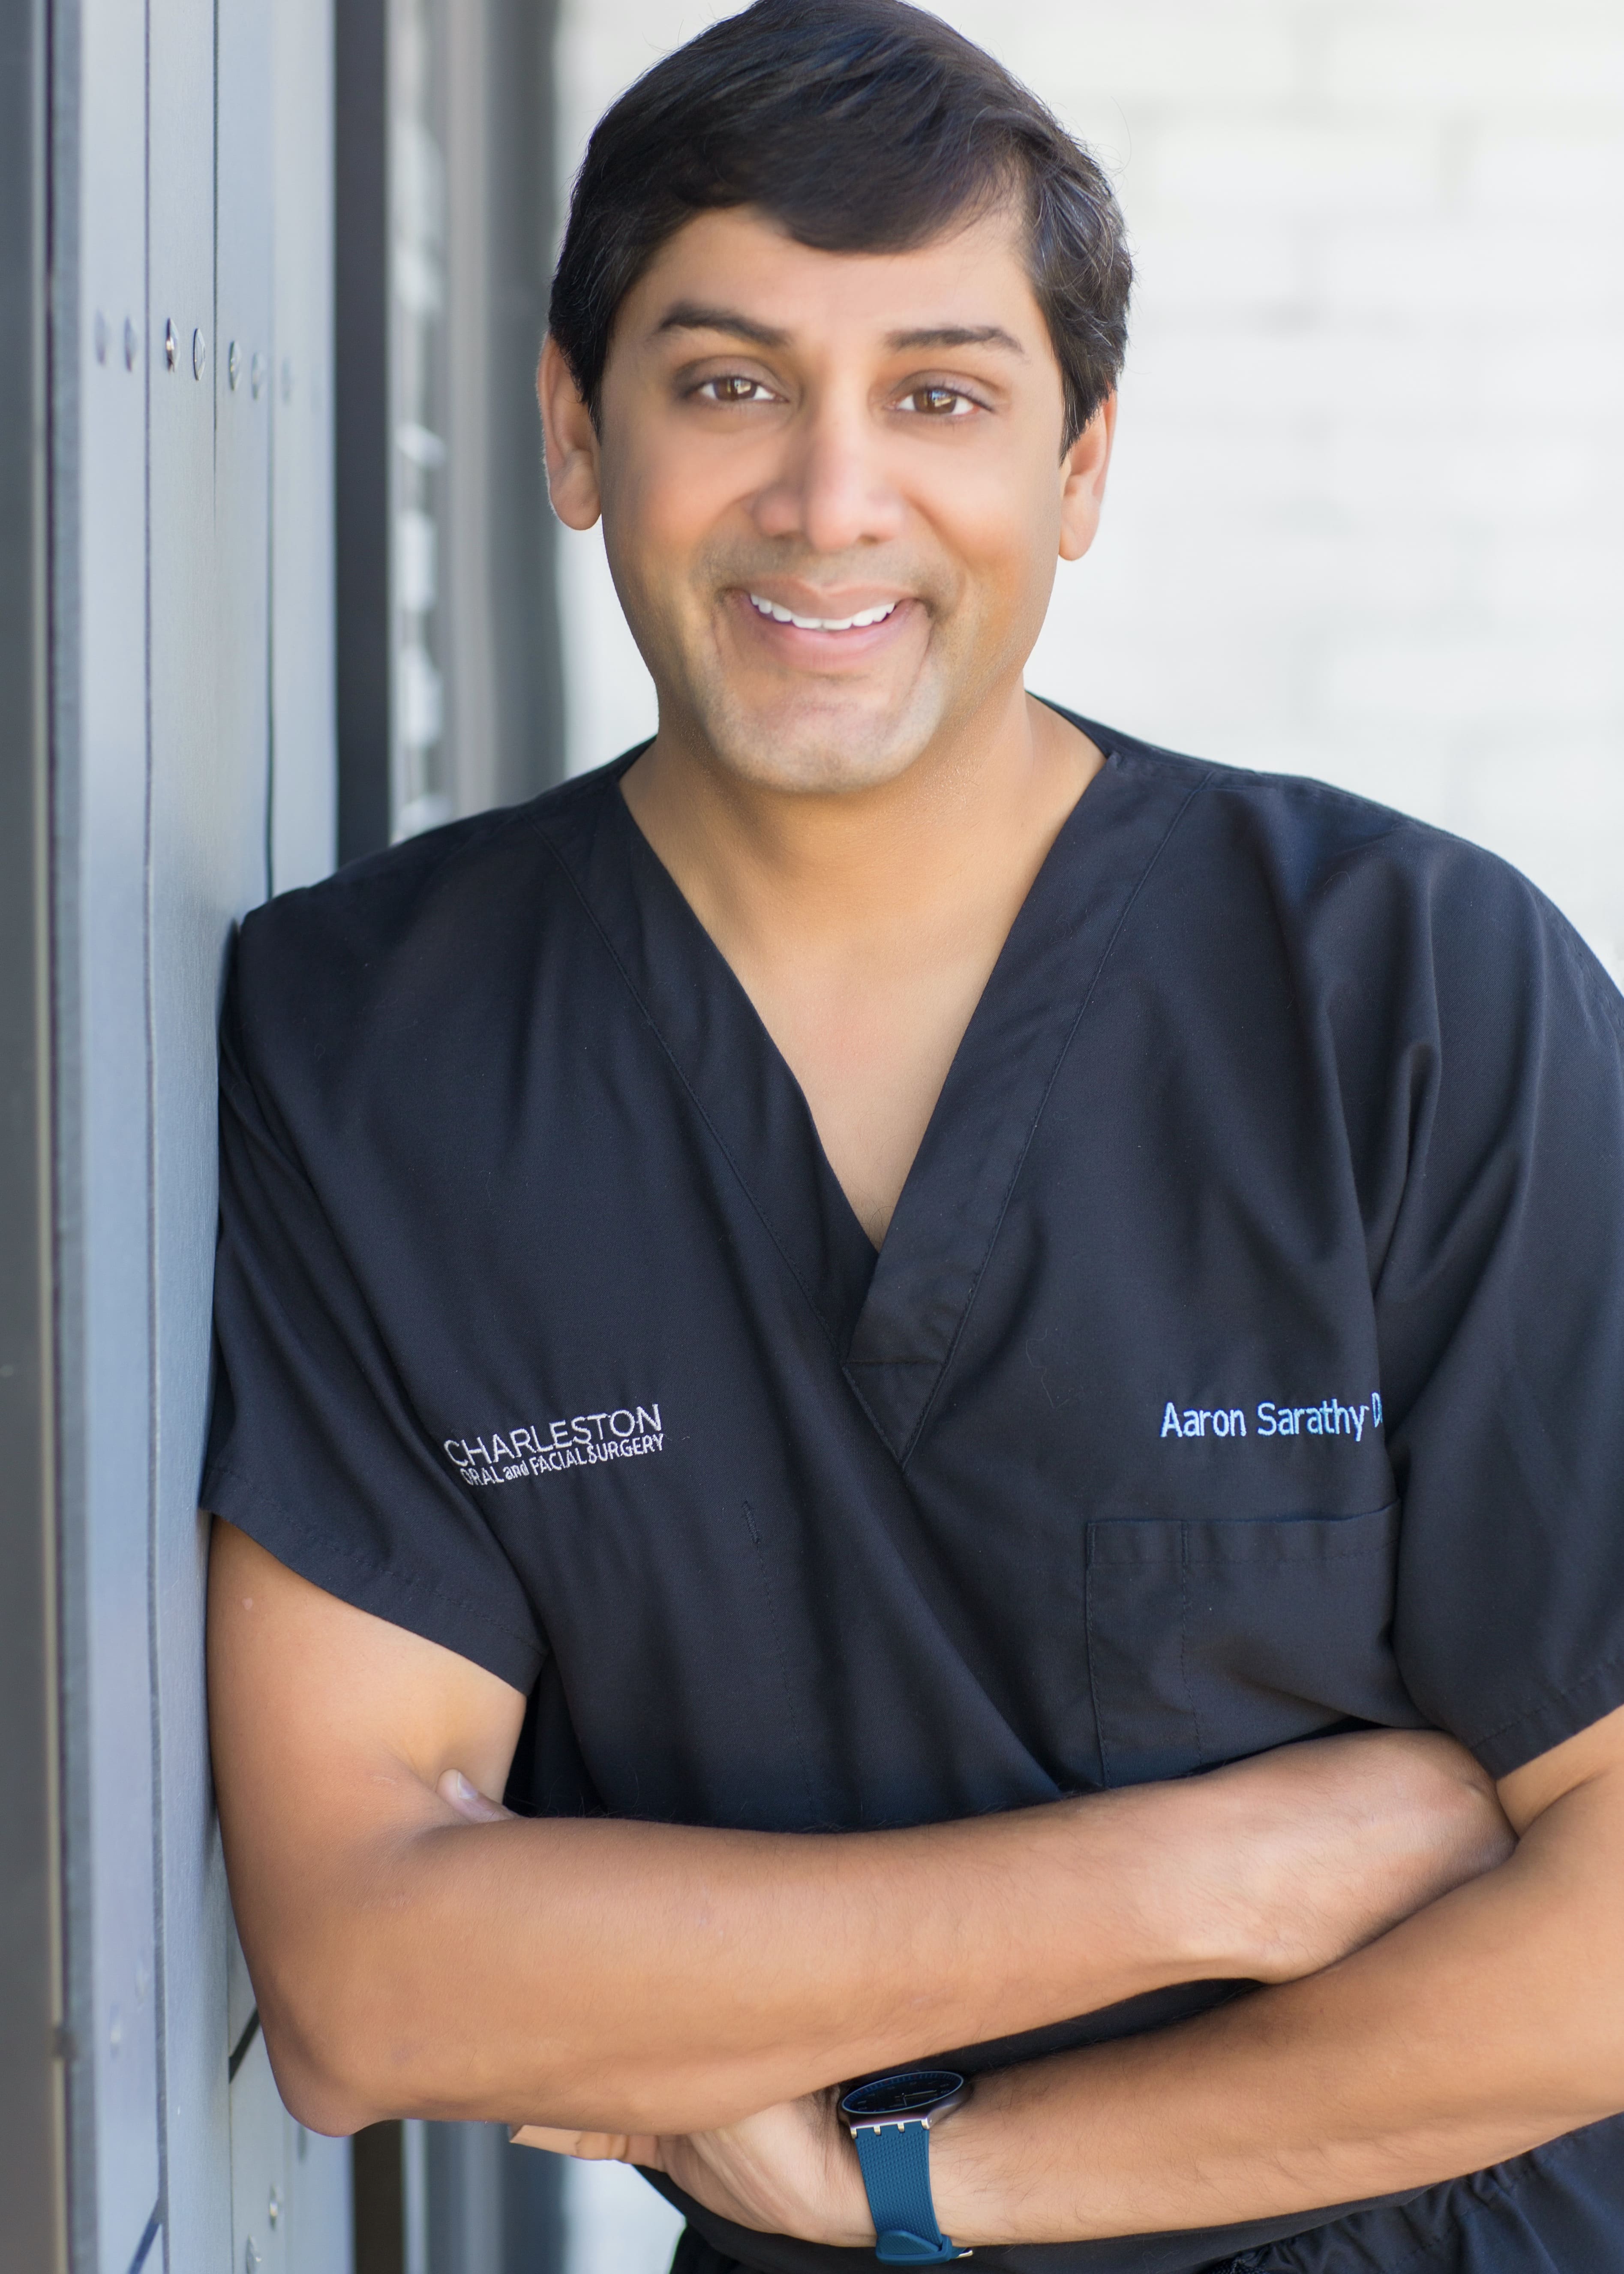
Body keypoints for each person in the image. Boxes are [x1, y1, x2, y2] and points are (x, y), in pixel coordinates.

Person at [204, 5, 1624, 2270]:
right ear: (577, 431)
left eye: (941, 394)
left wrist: (926, 2186)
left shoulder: (1414, 992)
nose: (831, 498)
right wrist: (1202, 1877)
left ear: (1079, 468)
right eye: (729, 380)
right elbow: (371, 1983)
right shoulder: (371, 1047)